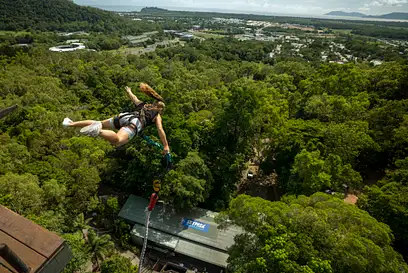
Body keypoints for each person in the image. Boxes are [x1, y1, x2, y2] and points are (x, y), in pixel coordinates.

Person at [62, 83, 170, 153]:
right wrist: (165, 145)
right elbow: (160, 130)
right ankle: (98, 131)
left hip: (124, 117)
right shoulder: (157, 115)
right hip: (133, 124)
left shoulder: (144, 105)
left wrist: (129, 91)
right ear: (160, 110)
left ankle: (70, 123)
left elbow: (134, 98)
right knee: (117, 141)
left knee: (99, 122)